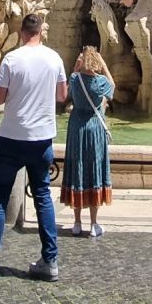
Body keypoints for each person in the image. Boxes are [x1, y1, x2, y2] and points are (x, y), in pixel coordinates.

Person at [0, 13, 67, 285]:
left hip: (12, 137)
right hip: (42, 139)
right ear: (41, 32)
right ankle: (50, 261)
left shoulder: (12, 59)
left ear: (23, 33)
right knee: (43, 196)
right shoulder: (55, 59)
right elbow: (62, 96)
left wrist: (12, 92)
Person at [61, 46, 115, 237]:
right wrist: (104, 65)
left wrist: (76, 67)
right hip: (95, 129)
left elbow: (66, 91)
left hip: (77, 129)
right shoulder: (101, 82)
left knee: (78, 169)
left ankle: (77, 223)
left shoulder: (75, 79)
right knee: (94, 171)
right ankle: (94, 224)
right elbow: (112, 86)